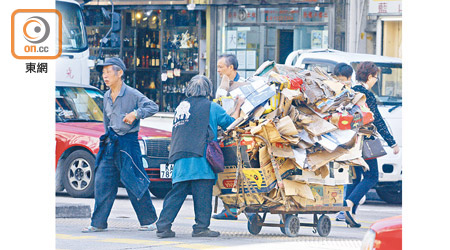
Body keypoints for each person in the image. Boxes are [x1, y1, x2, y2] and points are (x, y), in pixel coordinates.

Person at [155, 75, 243, 238]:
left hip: (180, 156)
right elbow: (231, 123)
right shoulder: (211, 107)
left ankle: (163, 226)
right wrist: (238, 105)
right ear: (208, 91)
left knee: (177, 193)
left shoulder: (181, 106)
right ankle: (201, 227)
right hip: (201, 157)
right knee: (203, 192)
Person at [82, 58, 159, 233]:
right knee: (103, 181)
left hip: (128, 143)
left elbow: (153, 107)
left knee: (133, 181)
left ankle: (149, 220)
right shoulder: (106, 96)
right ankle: (98, 223)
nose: (105, 76)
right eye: (103, 73)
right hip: (111, 142)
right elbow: (106, 121)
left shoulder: (132, 94)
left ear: (120, 73)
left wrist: (136, 113)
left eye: (109, 72)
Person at [343, 61, 400, 228]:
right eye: (375, 77)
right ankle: (349, 203)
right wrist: (392, 143)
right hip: (365, 141)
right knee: (372, 176)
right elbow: (378, 121)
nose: (376, 80)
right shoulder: (366, 95)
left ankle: (350, 216)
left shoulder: (351, 92)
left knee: (355, 177)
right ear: (369, 77)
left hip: (349, 141)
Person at [212, 54, 244, 220]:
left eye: (221, 67)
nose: (218, 70)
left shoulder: (244, 85)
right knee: (224, 171)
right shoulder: (222, 87)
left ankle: (251, 209)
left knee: (243, 171)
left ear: (231, 68)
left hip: (240, 134)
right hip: (224, 134)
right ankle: (229, 209)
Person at [333, 63, 354, 222]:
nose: (342, 83)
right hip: (335, 137)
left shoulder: (354, 93)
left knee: (346, 174)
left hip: (349, 138)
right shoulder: (333, 90)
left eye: (344, 80)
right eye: (339, 80)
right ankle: (338, 205)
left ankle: (342, 209)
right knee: (339, 173)